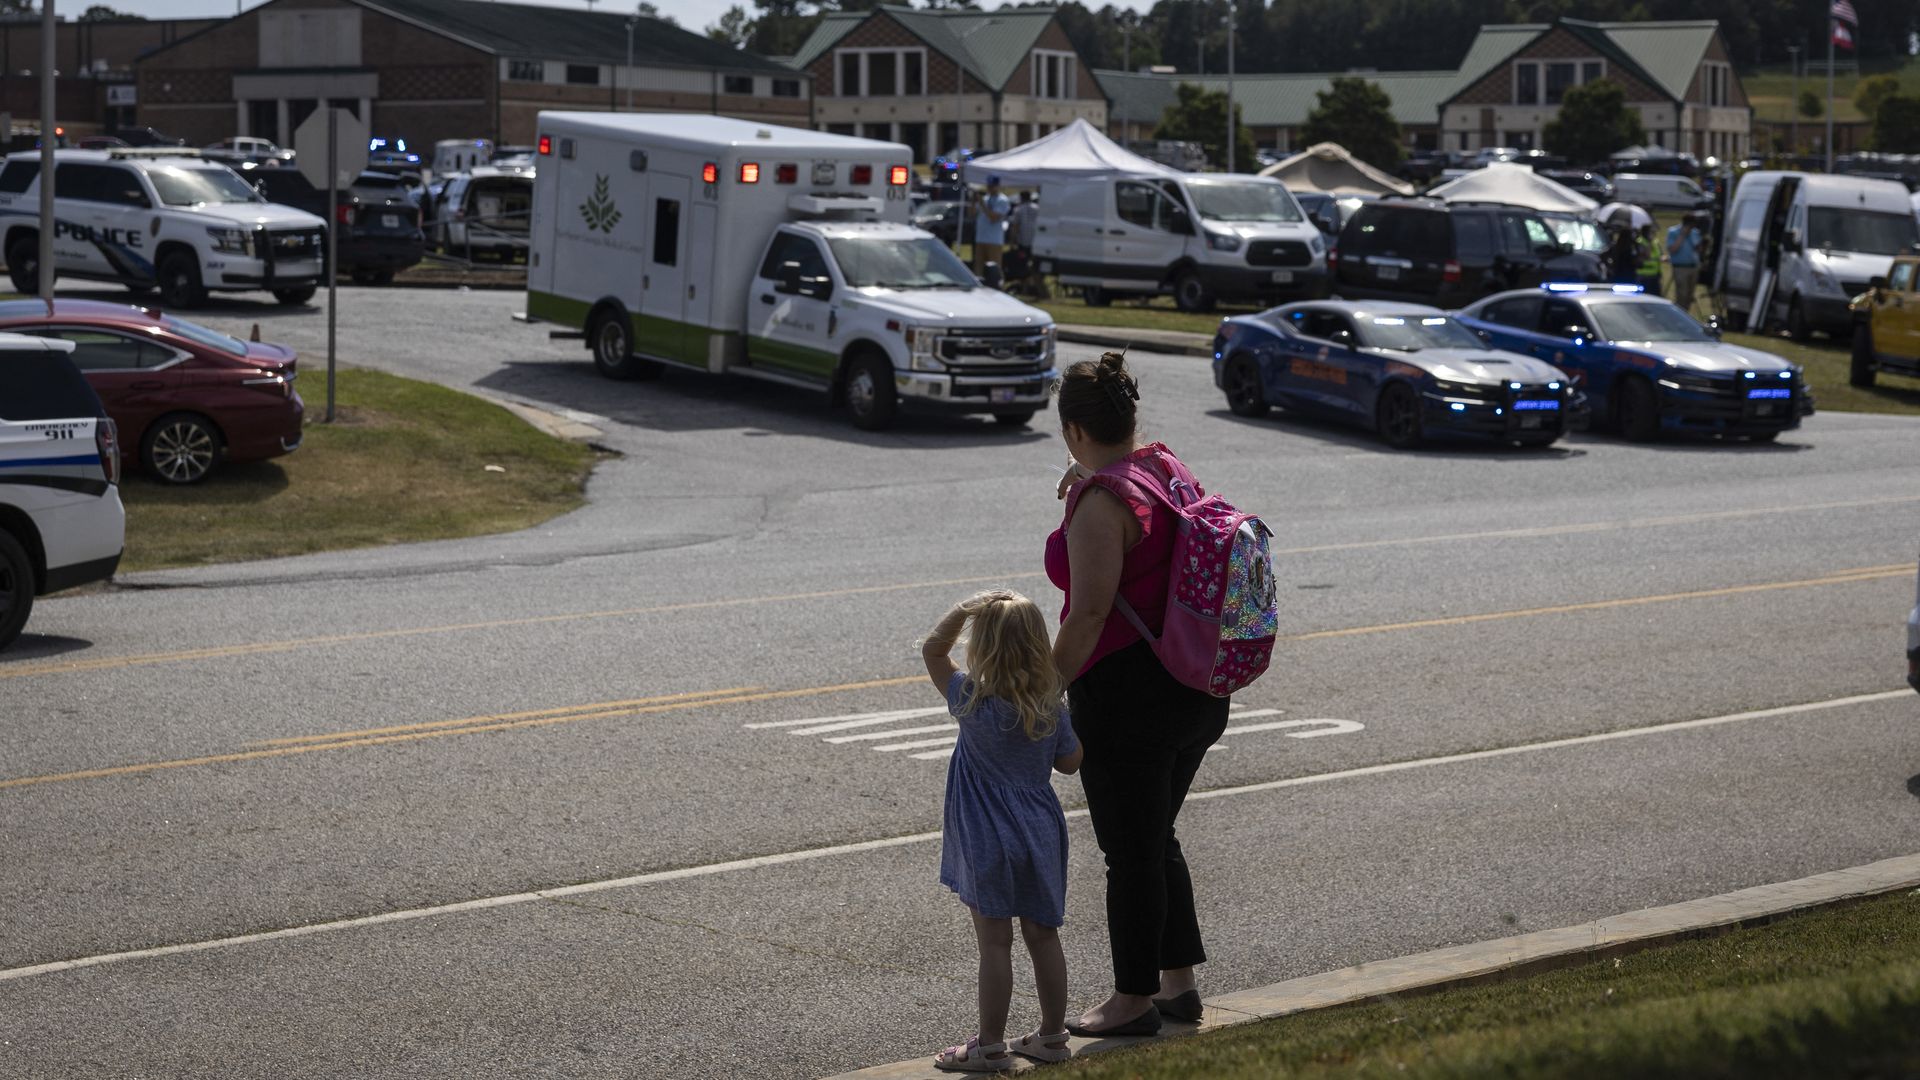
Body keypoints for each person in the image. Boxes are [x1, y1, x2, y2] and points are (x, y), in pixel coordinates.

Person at [1046, 352, 1231, 1039]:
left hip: (1130, 700)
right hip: (1196, 688)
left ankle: (1132, 999)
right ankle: (1178, 986)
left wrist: (1042, 694)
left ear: (1072, 429)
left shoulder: (1102, 503)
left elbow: (1088, 615)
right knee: (1155, 837)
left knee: (1129, 852)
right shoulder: (1162, 466)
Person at [922, 590, 1084, 1073]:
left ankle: (990, 1044)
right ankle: (1053, 1036)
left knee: (995, 943)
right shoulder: (1049, 706)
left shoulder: (970, 699)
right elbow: (1072, 764)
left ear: (983, 647)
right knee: (1043, 936)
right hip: (1038, 831)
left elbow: (932, 650)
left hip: (986, 836)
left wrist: (964, 609)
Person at [1666, 213, 1706, 315]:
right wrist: (1682, 236)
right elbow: (1672, 249)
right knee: (1681, 293)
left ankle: (1685, 314)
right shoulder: (1673, 232)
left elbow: (1698, 249)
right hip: (1680, 267)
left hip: (1693, 267)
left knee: (1689, 294)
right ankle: (1679, 313)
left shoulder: (1695, 233)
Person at [974, 176, 1011, 278]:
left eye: (992, 186)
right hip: (981, 238)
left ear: (998, 186)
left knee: (995, 268)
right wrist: (973, 202)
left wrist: (982, 205)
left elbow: (993, 218)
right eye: (989, 186)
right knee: (979, 268)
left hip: (994, 240)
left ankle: (997, 286)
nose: (990, 188)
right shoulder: (985, 198)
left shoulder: (1002, 200)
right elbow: (971, 214)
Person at [1635, 222, 1662, 293]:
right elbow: (1647, 255)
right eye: (1652, 232)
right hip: (1643, 275)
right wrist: (1649, 243)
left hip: (1654, 274)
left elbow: (1659, 255)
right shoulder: (1640, 242)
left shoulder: (1655, 242)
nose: (1654, 234)